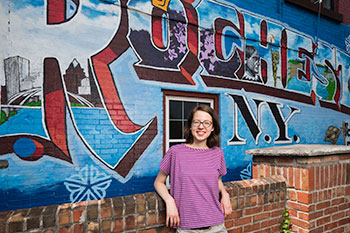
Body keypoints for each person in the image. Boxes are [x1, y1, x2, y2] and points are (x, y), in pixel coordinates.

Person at [154, 105, 232, 232]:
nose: (201, 126)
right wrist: (169, 201)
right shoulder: (175, 152)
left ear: (212, 128)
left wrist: (224, 194)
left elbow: (217, 180)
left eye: (207, 123)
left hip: (216, 225)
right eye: (196, 122)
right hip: (187, 228)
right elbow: (158, 182)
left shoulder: (218, 153)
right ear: (190, 126)